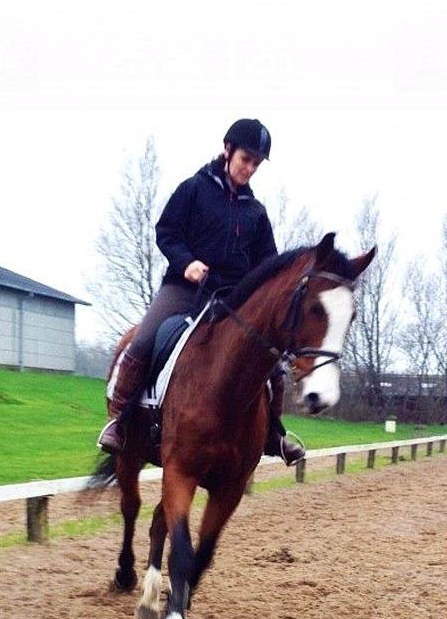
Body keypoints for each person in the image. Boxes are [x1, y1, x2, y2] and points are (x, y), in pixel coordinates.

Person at [97, 118, 305, 465]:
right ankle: (119, 421)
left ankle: (274, 434)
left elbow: (268, 263)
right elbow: (166, 231)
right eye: (245, 159)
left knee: (271, 362)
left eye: (256, 163)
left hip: (233, 299)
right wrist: (187, 262)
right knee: (145, 339)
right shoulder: (194, 189)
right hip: (184, 286)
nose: (249, 168)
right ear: (227, 150)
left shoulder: (255, 212)